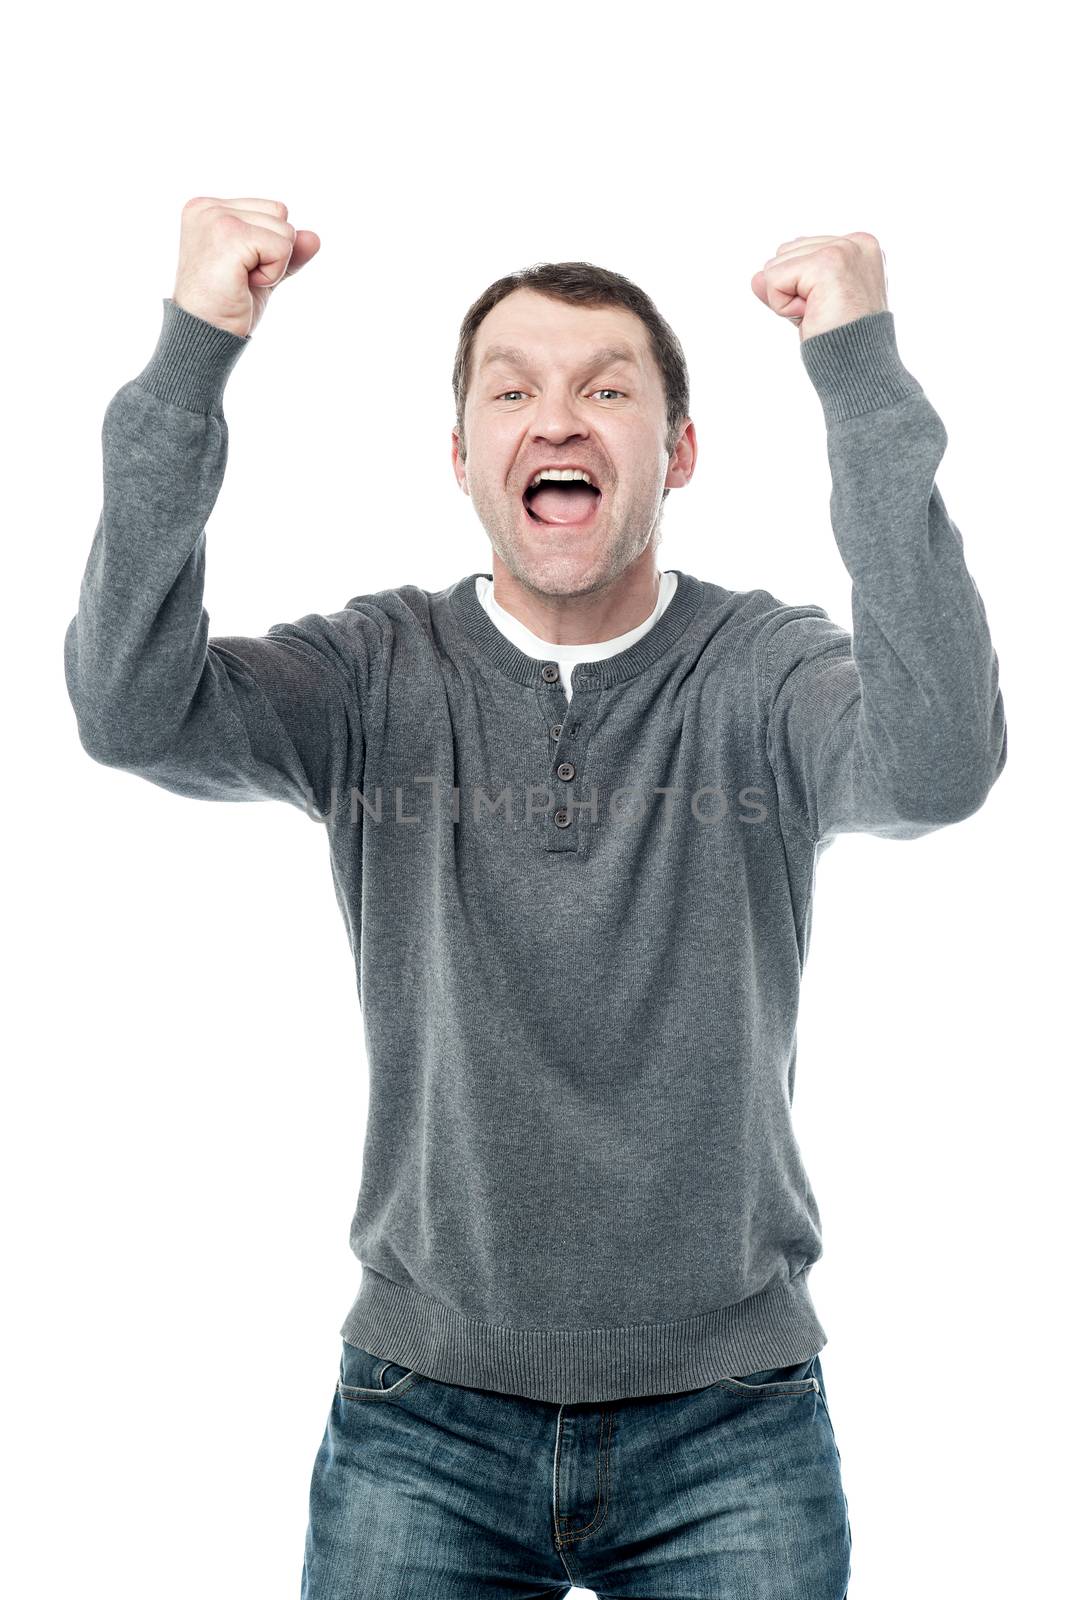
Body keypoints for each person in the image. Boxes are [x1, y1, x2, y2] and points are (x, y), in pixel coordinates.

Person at [64, 198, 1007, 1600]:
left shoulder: (760, 673)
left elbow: (937, 761)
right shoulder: (373, 673)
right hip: (421, 1415)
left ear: (677, 452)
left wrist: (859, 370)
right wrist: (196, 349)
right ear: (461, 458)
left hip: (730, 1418)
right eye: (511, 390)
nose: (556, 420)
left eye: (606, 389)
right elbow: (131, 711)